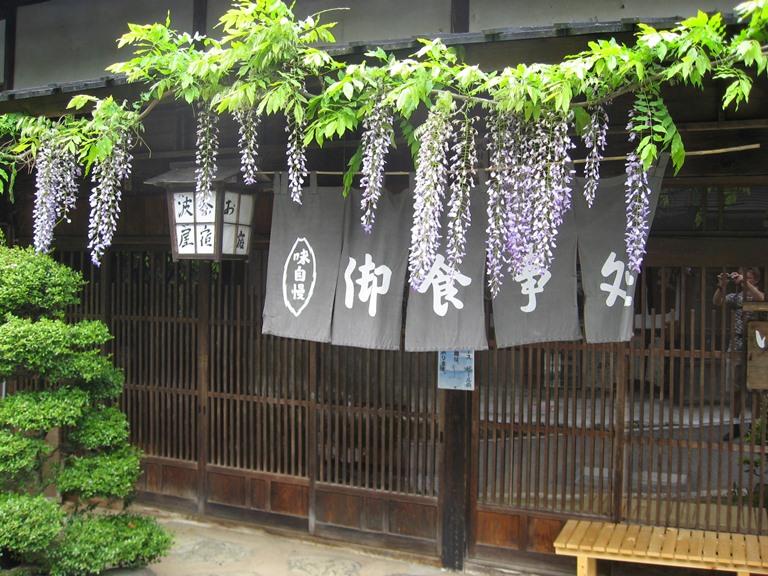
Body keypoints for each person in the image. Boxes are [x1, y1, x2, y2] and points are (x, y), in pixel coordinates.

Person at [712, 267, 765, 440]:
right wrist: (722, 285)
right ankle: (735, 425)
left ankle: (754, 426)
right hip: (736, 344)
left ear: (755, 280)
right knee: (735, 388)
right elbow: (717, 301)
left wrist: (745, 282)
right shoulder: (736, 297)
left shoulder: (756, 293)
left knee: (755, 390)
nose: (743, 280)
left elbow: (761, 298)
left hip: (756, 345)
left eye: (748, 277)